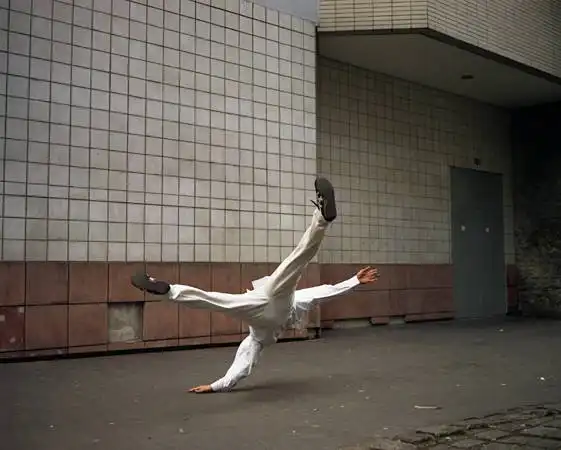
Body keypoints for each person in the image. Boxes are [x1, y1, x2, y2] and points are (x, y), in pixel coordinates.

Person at [131, 177, 380, 393]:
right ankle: (322, 218)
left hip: (259, 306)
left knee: (215, 299)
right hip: (272, 302)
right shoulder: (290, 308)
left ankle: (168, 291)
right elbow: (325, 292)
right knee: (295, 260)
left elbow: (243, 365)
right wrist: (354, 281)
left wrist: (216, 386)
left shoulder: (259, 337)